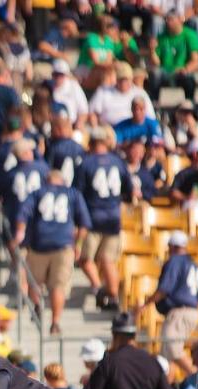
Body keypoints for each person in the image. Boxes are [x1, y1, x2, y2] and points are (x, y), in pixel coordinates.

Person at [13, 168, 90, 335]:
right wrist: (78, 244)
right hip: (63, 246)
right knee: (58, 286)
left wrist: (20, 233)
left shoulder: (38, 192)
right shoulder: (73, 193)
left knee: (35, 281)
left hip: (39, 244)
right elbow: (84, 223)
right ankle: (55, 322)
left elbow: (22, 214)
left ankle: (38, 305)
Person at [74, 127, 133, 312]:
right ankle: (114, 297)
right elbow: (129, 190)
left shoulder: (86, 163)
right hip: (113, 217)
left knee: (85, 259)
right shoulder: (118, 162)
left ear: (91, 143)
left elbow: (78, 194)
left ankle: (98, 287)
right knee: (108, 260)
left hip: (93, 217)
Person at [139, 232, 198, 376]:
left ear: (172, 246)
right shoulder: (194, 265)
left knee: (171, 348)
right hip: (191, 312)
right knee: (166, 356)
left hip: (179, 312)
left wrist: (146, 304)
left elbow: (164, 289)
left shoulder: (175, 262)